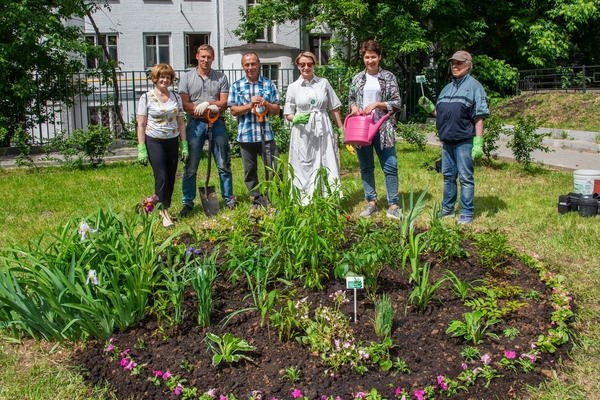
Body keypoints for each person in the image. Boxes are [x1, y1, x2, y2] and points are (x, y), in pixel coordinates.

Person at [418, 50, 489, 224]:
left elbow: (479, 116)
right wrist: (429, 107)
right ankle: (448, 209)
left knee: (465, 178)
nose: (454, 66)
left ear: (468, 65)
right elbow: (440, 113)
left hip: (464, 141)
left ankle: (466, 212)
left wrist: (478, 143)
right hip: (447, 141)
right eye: (452, 63)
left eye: (459, 63)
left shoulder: (475, 87)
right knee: (448, 176)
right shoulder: (447, 88)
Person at [348, 40, 402, 220]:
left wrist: (378, 104)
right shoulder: (357, 78)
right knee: (366, 167)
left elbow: (397, 103)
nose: (370, 60)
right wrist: (354, 107)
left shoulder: (388, 77)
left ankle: (393, 204)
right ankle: (371, 202)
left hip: (383, 128)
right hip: (362, 128)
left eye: (373, 57)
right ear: (363, 58)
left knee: (390, 165)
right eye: (366, 57)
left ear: (379, 57)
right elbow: (351, 99)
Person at [178, 44, 234, 216]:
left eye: (209, 57)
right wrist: (197, 107)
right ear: (197, 56)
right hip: (195, 123)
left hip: (216, 122)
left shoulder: (221, 77)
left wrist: (209, 105)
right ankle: (187, 202)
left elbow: (223, 102)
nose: (205, 60)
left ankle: (229, 198)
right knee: (191, 164)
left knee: (223, 162)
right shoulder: (187, 77)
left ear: (213, 58)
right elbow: (184, 104)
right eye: (203, 57)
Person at [283, 51, 344, 205]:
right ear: (298, 66)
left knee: (326, 158)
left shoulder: (323, 83)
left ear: (314, 65)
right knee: (304, 162)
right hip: (303, 130)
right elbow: (288, 113)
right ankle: (304, 199)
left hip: (322, 125)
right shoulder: (293, 87)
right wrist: (295, 118)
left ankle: (329, 197)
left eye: (309, 64)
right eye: (302, 64)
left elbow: (334, 107)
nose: (306, 67)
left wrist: (341, 128)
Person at [136, 63, 188, 228]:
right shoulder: (146, 97)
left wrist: (184, 144)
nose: (164, 80)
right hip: (154, 141)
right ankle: (163, 212)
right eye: (161, 77)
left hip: (172, 140)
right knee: (162, 177)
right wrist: (141, 148)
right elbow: (141, 124)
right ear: (155, 79)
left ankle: (163, 206)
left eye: (168, 77)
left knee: (171, 177)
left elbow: (181, 122)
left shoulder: (176, 97)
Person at [228, 52, 280, 208]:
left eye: (253, 64)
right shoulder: (236, 86)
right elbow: (233, 110)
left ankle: (274, 196)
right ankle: (257, 199)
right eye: (247, 64)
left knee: (274, 167)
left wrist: (265, 103)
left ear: (259, 64)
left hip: (266, 133)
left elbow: (277, 109)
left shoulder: (268, 84)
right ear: (243, 67)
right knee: (250, 171)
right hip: (246, 135)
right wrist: (249, 105)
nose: (250, 67)